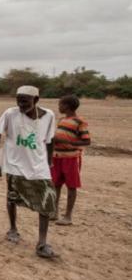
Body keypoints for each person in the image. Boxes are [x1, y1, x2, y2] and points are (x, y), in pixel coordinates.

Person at [0, 86, 58, 259]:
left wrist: (49, 160)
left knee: (46, 200)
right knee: (12, 197)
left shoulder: (49, 116)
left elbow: (50, 140)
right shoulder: (10, 114)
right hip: (14, 165)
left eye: (25, 101)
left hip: (39, 166)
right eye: (18, 100)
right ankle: (13, 229)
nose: (21, 105)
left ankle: (42, 243)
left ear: (36, 100)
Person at [51, 95, 90, 225]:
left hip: (71, 158)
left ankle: (68, 216)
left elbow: (86, 141)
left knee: (71, 186)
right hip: (57, 157)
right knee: (55, 184)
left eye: (60, 104)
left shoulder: (80, 121)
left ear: (67, 106)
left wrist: (62, 141)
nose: (59, 107)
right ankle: (54, 212)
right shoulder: (62, 120)